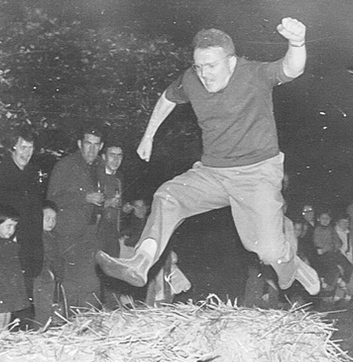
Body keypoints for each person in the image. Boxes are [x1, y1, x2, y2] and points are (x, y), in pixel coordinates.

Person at [96, 20, 320, 296]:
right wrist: (149, 135)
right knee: (168, 196)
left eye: (211, 66)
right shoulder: (192, 79)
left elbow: (291, 68)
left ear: (232, 62)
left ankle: (291, 263)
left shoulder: (253, 74)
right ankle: (141, 262)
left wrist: (297, 42)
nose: (204, 75)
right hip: (213, 173)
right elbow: (168, 97)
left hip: (256, 173)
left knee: (266, 250)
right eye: (199, 67)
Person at [46, 126, 105, 314]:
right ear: (80, 144)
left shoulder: (98, 167)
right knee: (71, 280)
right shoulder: (65, 166)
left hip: (89, 232)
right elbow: (52, 198)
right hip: (68, 233)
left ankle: (87, 320)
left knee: (90, 280)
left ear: (101, 146)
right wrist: (85, 198)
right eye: (88, 144)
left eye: (96, 145)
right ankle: (69, 321)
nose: (91, 150)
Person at [0, 127, 44, 324]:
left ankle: (23, 332)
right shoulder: (1, 173)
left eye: (30, 148)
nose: (26, 153)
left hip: (30, 244)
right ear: (12, 148)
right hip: (9, 244)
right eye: (23, 147)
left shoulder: (32, 172)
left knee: (26, 293)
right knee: (8, 296)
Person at [0, 204, 29, 329]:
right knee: (1, 312)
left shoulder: (4, 242)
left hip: (7, 285)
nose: (11, 230)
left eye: (14, 226)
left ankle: (5, 332)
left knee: (8, 311)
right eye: (8, 226)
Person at [32, 200, 64, 328]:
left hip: (55, 279)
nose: (51, 222)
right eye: (47, 218)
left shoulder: (54, 236)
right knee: (43, 310)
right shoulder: (38, 238)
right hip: (43, 278)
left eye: (54, 219)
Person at [97, 142, 124, 258]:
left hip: (113, 237)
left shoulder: (118, 180)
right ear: (104, 157)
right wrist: (107, 203)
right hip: (96, 237)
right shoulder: (94, 177)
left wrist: (124, 209)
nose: (116, 159)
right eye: (112, 155)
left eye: (119, 156)